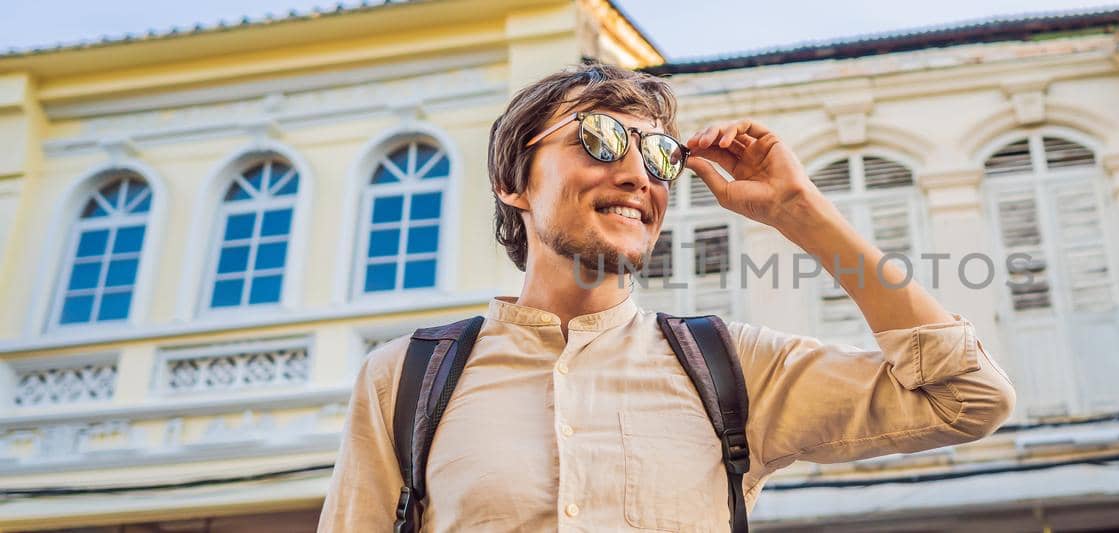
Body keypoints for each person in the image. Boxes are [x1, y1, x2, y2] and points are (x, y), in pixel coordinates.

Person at [317, 63, 1016, 532]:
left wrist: (800, 211)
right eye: (599, 138)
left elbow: (969, 396)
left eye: (658, 158)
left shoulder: (729, 367)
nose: (635, 173)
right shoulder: (407, 378)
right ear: (513, 181)